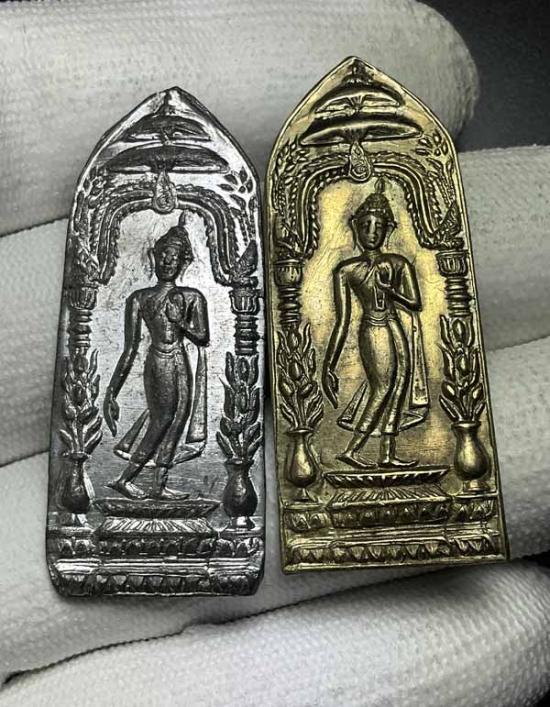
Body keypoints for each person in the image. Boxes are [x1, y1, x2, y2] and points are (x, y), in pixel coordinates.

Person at [322, 178, 429, 470]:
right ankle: (352, 449)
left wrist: (390, 291)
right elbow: (342, 321)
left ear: (388, 230)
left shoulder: (399, 263)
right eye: (366, 225)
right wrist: (328, 364)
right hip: (373, 328)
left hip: (395, 326)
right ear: (355, 227)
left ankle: (387, 453)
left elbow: (415, 303)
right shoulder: (346, 270)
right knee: (382, 387)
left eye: (378, 227)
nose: (372, 232)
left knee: (399, 385)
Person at [103, 223, 209, 500]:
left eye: (174, 257)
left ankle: (158, 485)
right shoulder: (140, 298)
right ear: (154, 256)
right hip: (158, 360)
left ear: (183, 262)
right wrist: (112, 391)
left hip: (180, 359)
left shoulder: (193, 297)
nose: (167, 262)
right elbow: (130, 349)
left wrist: (180, 321)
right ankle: (125, 479)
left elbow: (202, 335)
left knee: (178, 419)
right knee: (162, 419)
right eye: (163, 255)